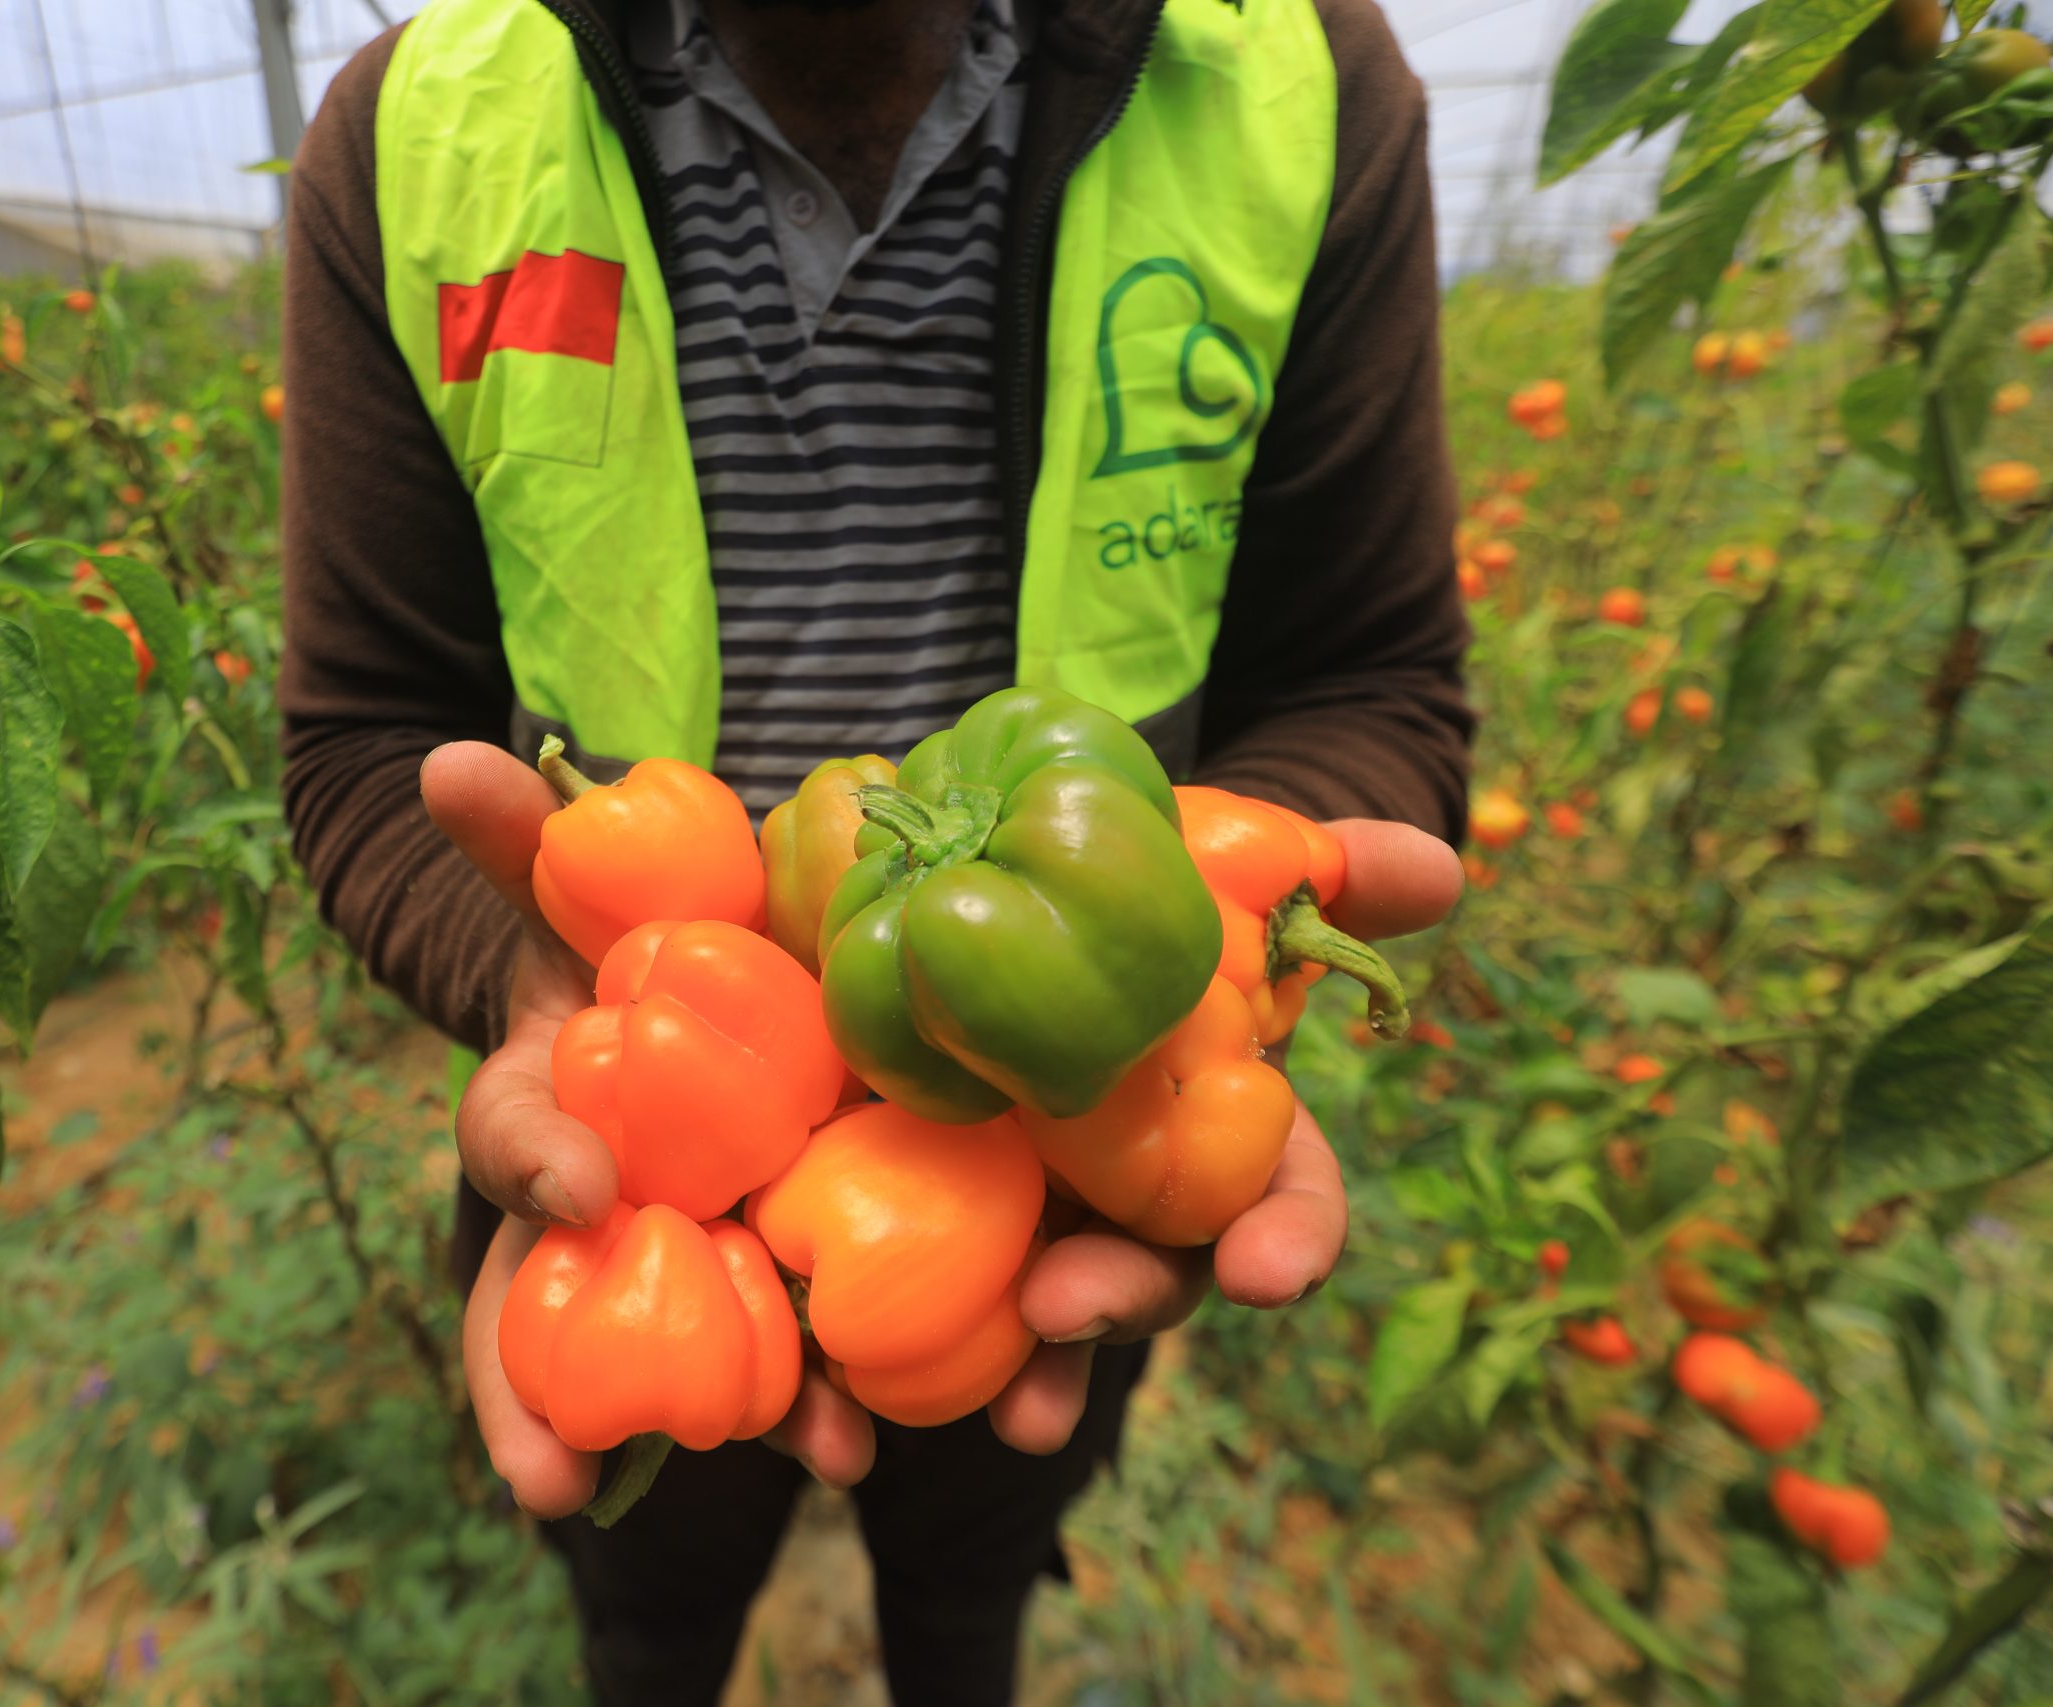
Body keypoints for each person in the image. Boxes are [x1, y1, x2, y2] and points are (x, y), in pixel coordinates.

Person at [278, 0, 1471, 1696]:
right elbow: (360, 734)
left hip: (1057, 1156)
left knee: (974, 1587)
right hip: (632, 1173)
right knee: (647, 1614)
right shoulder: (418, 135)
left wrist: (1231, 908)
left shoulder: (1288, 83)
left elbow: (1365, 673)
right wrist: (528, 980)